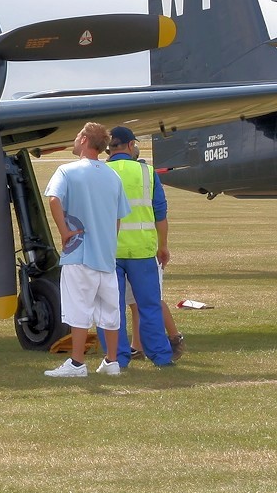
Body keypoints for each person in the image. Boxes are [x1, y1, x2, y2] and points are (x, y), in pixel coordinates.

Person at [43, 122, 131, 378]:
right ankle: (112, 361)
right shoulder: (112, 175)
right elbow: (118, 217)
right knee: (111, 310)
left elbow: (53, 199)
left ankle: (77, 363)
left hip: (79, 251)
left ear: (83, 140)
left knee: (78, 309)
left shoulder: (66, 171)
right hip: (106, 255)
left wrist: (64, 231)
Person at [105, 126, 178, 367]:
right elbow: (160, 213)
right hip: (142, 251)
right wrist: (163, 246)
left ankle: (117, 358)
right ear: (130, 145)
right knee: (149, 306)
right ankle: (161, 356)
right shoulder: (147, 172)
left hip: (109, 251)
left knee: (111, 308)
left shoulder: (102, 172)